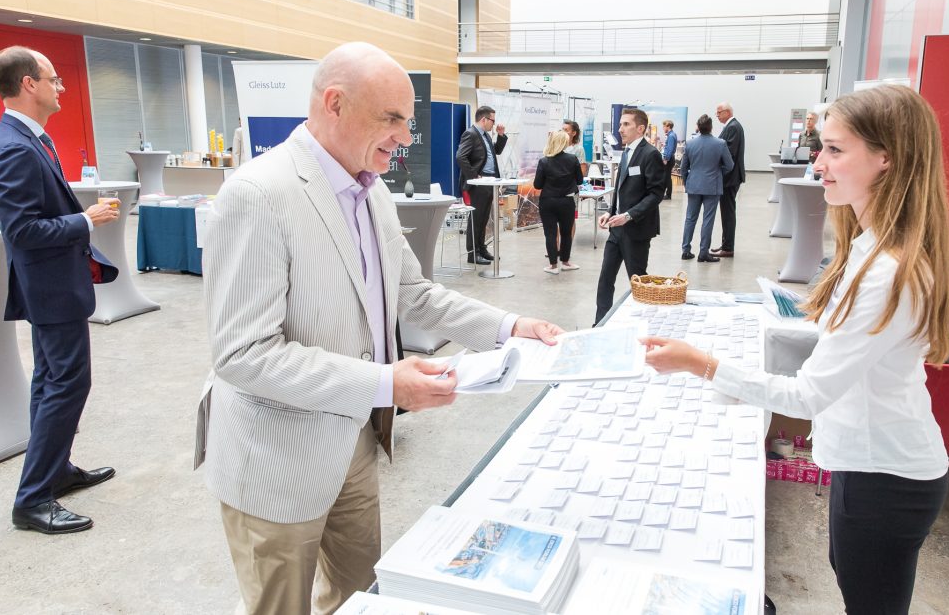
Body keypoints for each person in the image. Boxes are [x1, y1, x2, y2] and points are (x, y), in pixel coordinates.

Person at [197, 42, 561, 615]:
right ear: (334, 103)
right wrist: (387, 384)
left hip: (356, 446)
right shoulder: (259, 195)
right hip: (276, 459)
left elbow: (415, 293)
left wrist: (511, 326)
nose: (405, 137)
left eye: (408, 122)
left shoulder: (372, 191)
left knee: (358, 597)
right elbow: (244, 354)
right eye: (391, 119)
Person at [642, 85, 949, 614]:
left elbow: (808, 397)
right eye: (822, 147)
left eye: (835, 150)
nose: (818, 164)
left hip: (886, 477)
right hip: (871, 466)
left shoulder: (885, 270)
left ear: (888, 158)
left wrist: (700, 363)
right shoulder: (871, 245)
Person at [0, 46, 120, 535]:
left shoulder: (25, 138)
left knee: (50, 383)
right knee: (67, 385)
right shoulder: (15, 146)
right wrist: (85, 219)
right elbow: (22, 231)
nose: (61, 87)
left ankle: (55, 471)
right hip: (50, 289)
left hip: (52, 287)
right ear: (28, 85)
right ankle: (34, 498)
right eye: (54, 79)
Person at [594, 108, 667, 324]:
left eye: (626, 124)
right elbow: (621, 187)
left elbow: (656, 194)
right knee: (605, 279)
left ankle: (643, 325)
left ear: (640, 128)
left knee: (637, 281)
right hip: (616, 229)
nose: (620, 129)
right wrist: (610, 211)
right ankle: (600, 323)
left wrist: (628, 215)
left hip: (637, 229)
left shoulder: (650, 154)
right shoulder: (626, 152)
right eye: (620, 124)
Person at [456, 106, 507, 265]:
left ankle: (481, 249)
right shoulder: (471, 134)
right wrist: (474, 176)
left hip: (490, 182)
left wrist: (500, 136)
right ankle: (472, 253)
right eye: (492, 120)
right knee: (476, 218)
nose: (494, 123)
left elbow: (496, 151)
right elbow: (460, 157)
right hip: (479, 183)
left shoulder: (485, 135)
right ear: (484, 119)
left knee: (485, 218)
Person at [679, 114, 733, 263]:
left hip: (694, 186)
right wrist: (718, 173)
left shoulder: (690, 144)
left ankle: (686, 250)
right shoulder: (720, 143)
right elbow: (730, 165)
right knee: (708, 220)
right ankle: (703, 252)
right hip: (712, 186)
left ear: (698, 126)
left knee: (690, 218)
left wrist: (687, 181)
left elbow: (683, 168)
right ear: (711, 127)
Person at [533, 130, 583, 274]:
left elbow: (537, 185)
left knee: (550, 233)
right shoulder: (573, 159)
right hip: (566, 201)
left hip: (547, 202)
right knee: (566, 233)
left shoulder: (543, 161)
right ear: (564, 142)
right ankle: (566, 262)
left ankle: (553, 266)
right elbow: (579, 180)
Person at [711, 102, 746, 258]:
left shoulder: (733, 127)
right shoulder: (732, 126)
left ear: (727, 112)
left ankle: (728, 247)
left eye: (719, 112)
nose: (717, 115)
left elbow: (728, 154)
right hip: (730, 177)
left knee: (728, 212)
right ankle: (726, 244)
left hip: (730, 178)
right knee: (726, 212)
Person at [660, 119, 677, 200]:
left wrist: (666, 159)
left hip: (669, 159)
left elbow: (670, 149)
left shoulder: (671, 136)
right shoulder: (672, 135)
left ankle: (668, 195)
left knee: (667, 177)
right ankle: (666, 194)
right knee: (666, 177)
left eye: (664, 126)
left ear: (668, 126)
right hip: (670, 158)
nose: (663, 128)